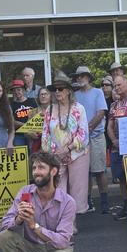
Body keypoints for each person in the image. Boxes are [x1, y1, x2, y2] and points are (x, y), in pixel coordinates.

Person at [0, 152, 76, 252]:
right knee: (4, 237)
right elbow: (4, 223)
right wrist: (19, 219)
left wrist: (35, 226)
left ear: (54, 171)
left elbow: (62, 241)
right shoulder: (25, 193)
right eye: (34, 168)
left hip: (55, 251)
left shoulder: (68, 202)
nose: (36, 172)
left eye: (41, 167)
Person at [41, 75, 90, 214]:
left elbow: (84, 134)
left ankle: (71, 221)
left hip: (77, 154)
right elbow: (45, 134)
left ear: (69, 91)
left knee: (77, 190)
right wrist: (52, 152)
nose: (57, 92)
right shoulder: (49, 109)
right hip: (55, 156)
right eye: (55, 90)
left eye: (60, 89)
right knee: (58, 191)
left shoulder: (79, 108)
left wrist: (68, 148)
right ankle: (64, 222)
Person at [72, 66, 109, 213]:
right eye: (77, 76)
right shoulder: (74, 95)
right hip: (80, 139)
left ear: (88, 77)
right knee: (84, 172)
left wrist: (87, 128)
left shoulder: (98, 92)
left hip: (96, 136)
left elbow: (101, 113)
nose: (79, 79)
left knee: (99, 170)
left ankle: (105, 201)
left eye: (82, 76)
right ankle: (87, 201)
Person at [107, 75, 127, 220]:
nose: (116, 88)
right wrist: (113, 140)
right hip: (119, 147)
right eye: (115, 86)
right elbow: (110, 125)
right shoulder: (114, 105)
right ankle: (126, 205)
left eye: (119, 85)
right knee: (122, 178)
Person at [10, 79, 37, 148]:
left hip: (32, 133)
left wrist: (27, 127)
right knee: (21, 155)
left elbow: (37, 116)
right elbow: (12, 122)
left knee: (33, 154)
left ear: (23, 90)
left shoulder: (32, 101)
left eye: (18, 89)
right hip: (19, 135)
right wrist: (26, 125)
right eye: (14, 90)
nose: (16, 92)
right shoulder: (11, 105)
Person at [25, 87, 51, 154]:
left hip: (52, 145)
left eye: (45, 94)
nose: (43, 96)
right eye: (41, 94)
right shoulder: (32, 112)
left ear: (50, 96)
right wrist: (31, 133)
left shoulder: (56, 110)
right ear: (38, 97)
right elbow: (26, 131)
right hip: (36, 146)